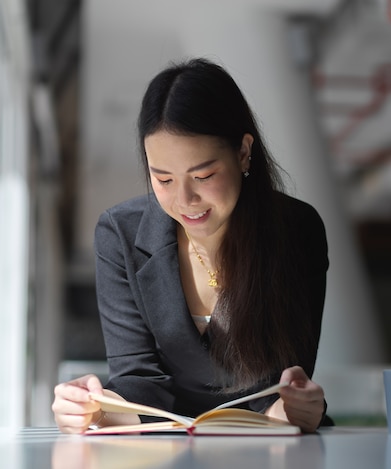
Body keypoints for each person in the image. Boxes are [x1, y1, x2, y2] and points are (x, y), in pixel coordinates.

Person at [52, 58, 330, 434]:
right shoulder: (119, 235)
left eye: (204, 175)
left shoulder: (297, 231)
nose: (184, 200)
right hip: (160, 444)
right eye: (163, 179)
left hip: (264, 442)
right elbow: (136, 380)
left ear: (244, 152)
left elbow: (285, 383)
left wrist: (298, 406)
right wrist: (91, 409)